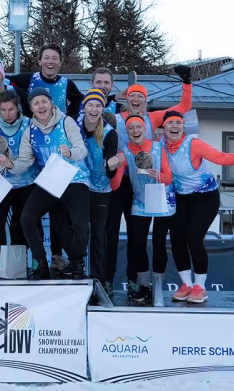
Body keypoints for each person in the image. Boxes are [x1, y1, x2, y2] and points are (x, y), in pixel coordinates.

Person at [104, 65, 192, 296]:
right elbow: (91, 110)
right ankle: (106, 281)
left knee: (139, 238)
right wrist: (112, 97)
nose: (135, 100)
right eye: (131, 96)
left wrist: (186, 83)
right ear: (126, 99)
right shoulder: (115, 117)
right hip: (119, 179)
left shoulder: (153, 118)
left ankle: (137, 282)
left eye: (140, 96)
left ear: (146, 100)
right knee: (111, 234)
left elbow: (183, 108)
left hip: (146, 185)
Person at [161, 111, 234, 303]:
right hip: (180, 197)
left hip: (205, 197)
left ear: (183, 126)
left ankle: (200, 287)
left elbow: (222, 158)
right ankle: (186, 284)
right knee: (176, 240)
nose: (174, 126)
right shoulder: (159, 145)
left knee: (194, 238)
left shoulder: (194, 144)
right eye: (170, 123)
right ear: (163, 127)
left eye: (178, 122)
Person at [0, 88, 91, 280]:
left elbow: (82, 150)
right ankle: (41, 263)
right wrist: (10, 164)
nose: (40, 106)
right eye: (36, 103)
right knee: (27, 218)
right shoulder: (30, 131)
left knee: (80, 223)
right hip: (51, 182)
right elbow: (24, 162)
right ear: (31, 108)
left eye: (44, 102)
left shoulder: (66, 122)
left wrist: (70, 152)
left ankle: (77, 261)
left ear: (51, 104)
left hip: (74, 179)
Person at [110, 115, 175, 304]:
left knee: (159, 243)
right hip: (140, 200)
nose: (135, 131)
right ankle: (144, 286)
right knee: (138, 243)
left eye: (139, 127)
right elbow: (115, 185)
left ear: (145, 130)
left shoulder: (158, 147)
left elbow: (169, 177)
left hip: (161, 198)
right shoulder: (124, 152)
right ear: (127, 132)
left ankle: (158, 287)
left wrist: (159, 176)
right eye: (131, 128)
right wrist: (113, 167)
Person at [0, 92, 40, 276]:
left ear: (18, 109)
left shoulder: (30, 124)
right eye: (3, 110)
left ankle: (21, 261)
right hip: (3, 182)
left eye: (11, 109)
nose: (7, 114)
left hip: (27, 181)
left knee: (21, 223)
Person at [75, 89, 120, 285]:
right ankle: (76, 267)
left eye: (98, 106)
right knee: (78, 228)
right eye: (90, 105)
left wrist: (112, 167)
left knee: (98, 233)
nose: (94, 109)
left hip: (101, 189)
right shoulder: (74, 125)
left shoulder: (109, 133)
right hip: (80, 184)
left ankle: (98, 279)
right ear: (84, 107)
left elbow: (110, 172)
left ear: (103, 109)